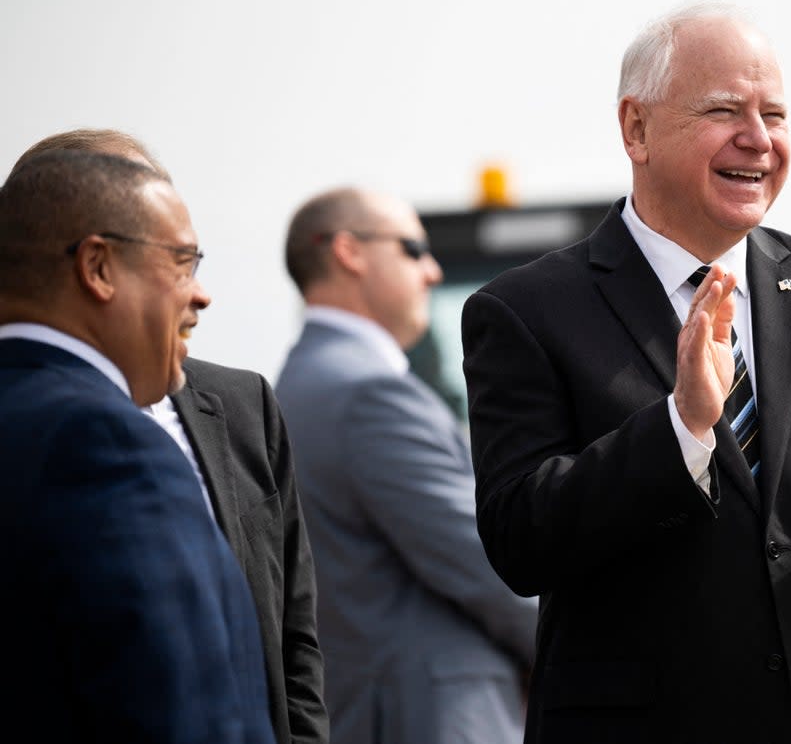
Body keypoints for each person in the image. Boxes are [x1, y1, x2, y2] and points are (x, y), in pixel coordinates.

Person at [460, 2, 791, 744]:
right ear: (635, 128)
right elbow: (519, 541)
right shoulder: (523, 313)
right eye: (725, 110)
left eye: (776, 114)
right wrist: (680, 431)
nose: (758, 139)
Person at [10, 129, 329, 744]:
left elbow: (294, 643)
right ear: (97, 265)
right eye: (181, 261)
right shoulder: (106, 441)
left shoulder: (244, 405)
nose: (201, 294)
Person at [276, 187, 538, 744]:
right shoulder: (367, 393)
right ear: (350, 252)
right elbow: (495, 569)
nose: (433, 271)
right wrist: (602, 656)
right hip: (437, 719)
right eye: (414, 249)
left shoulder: (302, 385)